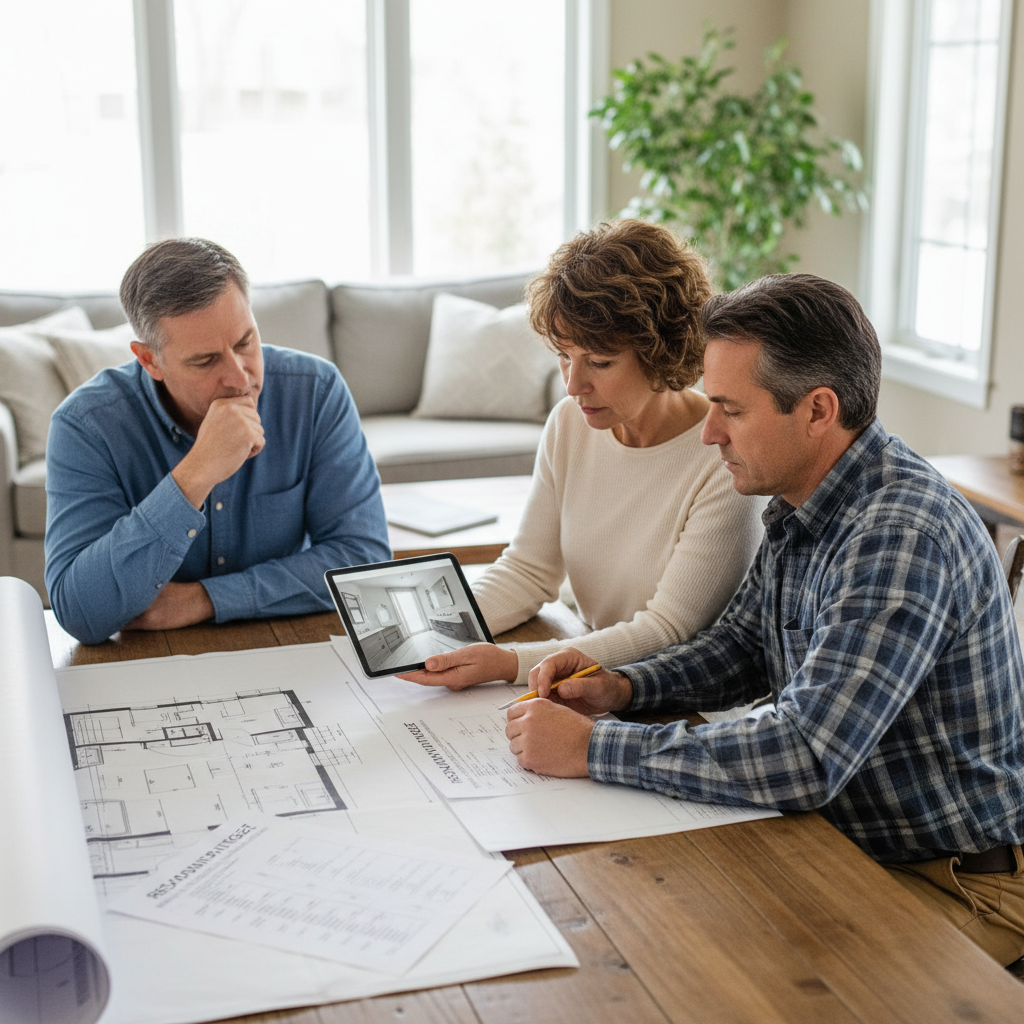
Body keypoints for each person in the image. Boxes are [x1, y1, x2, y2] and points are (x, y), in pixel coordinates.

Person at [505, 272, 1024, 967]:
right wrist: (621, 688)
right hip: (847, 843)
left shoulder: (899, 534)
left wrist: (592, 749)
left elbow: (807, 755)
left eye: (730, 409)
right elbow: (742, 647)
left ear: (816, 410)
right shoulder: (804, 499)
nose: (708, 433)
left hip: (953, 882)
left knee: (702, 967)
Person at [398, 220, 764, 691]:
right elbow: (528, 571)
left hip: (674, 701)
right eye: (564, 355)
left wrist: (510, 664)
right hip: (591, 677)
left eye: (600, 361)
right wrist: (429, 631)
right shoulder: (569, 423)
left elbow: (668, 632)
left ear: (662, 350)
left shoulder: (723, 459)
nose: (573, 385)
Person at [45, 238, 390, 644]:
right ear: (150, 359)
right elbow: (81, 613)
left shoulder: (315, 392)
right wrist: (195, 473)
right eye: (206, 361)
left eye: (245, 342)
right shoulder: (86, 426)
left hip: (286, 646)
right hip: (150, 662)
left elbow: (363, 564)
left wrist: (205, 600)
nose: (241, 378)